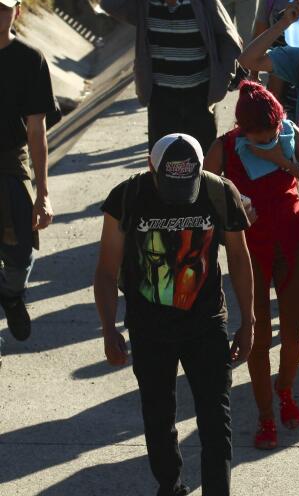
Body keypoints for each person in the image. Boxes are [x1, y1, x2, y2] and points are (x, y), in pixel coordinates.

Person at [93, 133, 255, 496]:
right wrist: (108, 328)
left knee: (216, 417)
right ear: (152, 168)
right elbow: (106, 269)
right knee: (158, 415)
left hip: (206, 323)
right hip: (149, 329)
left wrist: (249, 321)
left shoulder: (219, 192)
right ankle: (170, 485)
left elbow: (240, 259)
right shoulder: (127, 197)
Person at [203, 82, 299, 451]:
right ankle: (265, 415)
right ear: (242, 129)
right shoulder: (225, 147)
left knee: (294, 336)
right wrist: (235, 211)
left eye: (271, 132)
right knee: (257, 337)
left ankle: (285, 389)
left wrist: (284, 162)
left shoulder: (290, 134)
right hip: (249, 253)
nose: (267, 139)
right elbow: (202, 204)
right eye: (257, 137)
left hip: (293, 248)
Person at [101, 0, 240, 151]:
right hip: (162, 100)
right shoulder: (143, 2)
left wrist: (222, 81)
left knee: (205, 163)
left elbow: (230, 38)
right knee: (163, 163)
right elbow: (109, 2)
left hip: (199, 98)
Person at [0, 0, 59, 341]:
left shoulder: (29, 60)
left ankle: (11, 294)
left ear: (17, 12)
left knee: (21, 257)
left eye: (3, 9)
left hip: (11, 167)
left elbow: (37, 132)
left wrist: (43, 193)